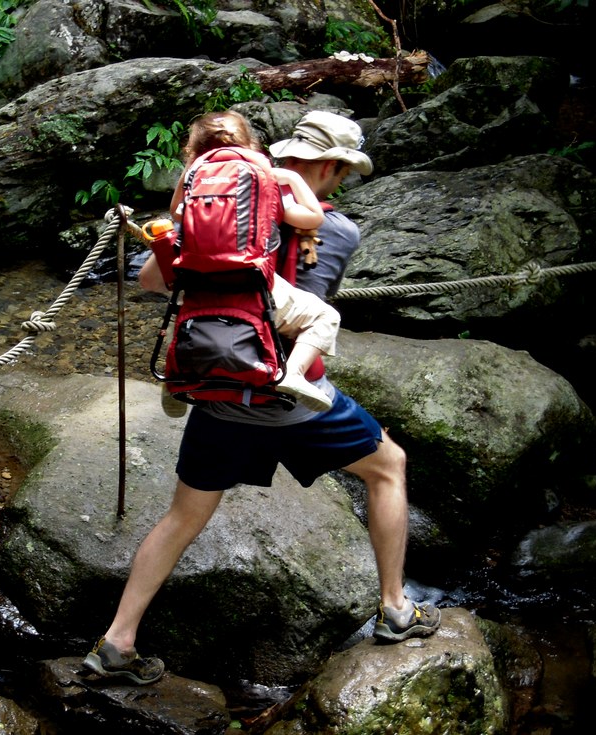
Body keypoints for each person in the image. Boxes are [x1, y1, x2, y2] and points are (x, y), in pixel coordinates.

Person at [83, 110, 440, 686]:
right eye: (342, 173)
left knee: (183, 516)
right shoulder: (331, 227)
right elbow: (297, 318)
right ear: (332, 167)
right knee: (389, 466)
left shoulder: (211, 205)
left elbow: (152, 281)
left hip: (218, 393)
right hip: (285, 396)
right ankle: (396, 607)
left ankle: (117, 642)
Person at [156, 110, 341, 416]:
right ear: (251, 145)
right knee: (325, 317)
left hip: (199, 283)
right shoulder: (262, 181)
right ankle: (293, 373)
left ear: (193, 151)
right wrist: (292, 178)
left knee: (189, 313)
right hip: (253, 283)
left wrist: (191, 172)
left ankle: (175, 377)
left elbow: (176, 211)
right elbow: (313, 217)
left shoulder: (194, 179)